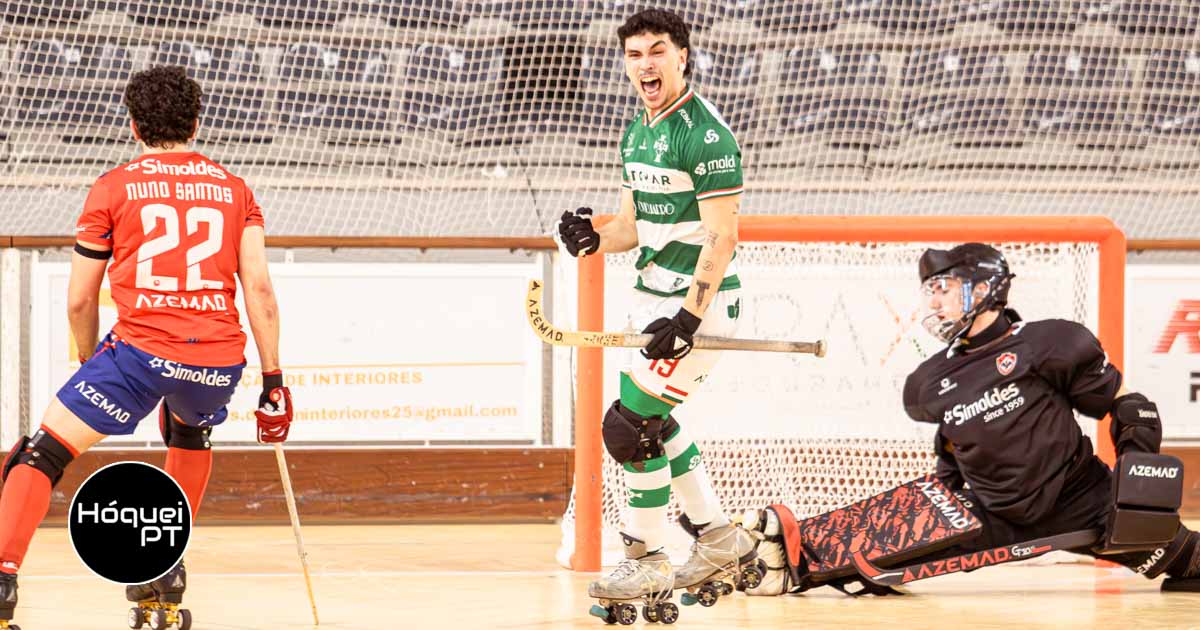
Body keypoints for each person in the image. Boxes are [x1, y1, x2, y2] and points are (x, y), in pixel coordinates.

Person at [0, 65, 294, 627]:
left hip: (138, 354)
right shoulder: (235, 191)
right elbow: (258, 288)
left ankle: (1, 583)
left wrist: (90, 360)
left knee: (40, 453)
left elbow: (81, 300)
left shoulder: (113, 187)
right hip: (217, 358)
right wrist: (274, 382)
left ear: (133, 126)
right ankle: (164, 577)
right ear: (197, 123)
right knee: (189, 433)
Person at [743, 243, 1199, 596]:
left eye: (946, 289)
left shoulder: (1049, 342)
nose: (935, 302)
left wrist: (1136, 493)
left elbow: (1127, 405)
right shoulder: (931, 378)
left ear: (983, 291)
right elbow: (952, 446)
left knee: (1191, 560)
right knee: (868, 557)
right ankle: (783, 556)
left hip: (1086, 502)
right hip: (994, 513)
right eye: (931, 292)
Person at [556, 8, 757, 619]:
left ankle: (647, 560)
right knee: (651, 426)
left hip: (701, 307)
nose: (646, 63)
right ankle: (718, 535)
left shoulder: (707, 134)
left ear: (682, 57)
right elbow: (631, 228)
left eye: (658, 51)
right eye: (636, 53)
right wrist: (592, 236)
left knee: (626, 428)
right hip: (655, 301)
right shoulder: (635, 132)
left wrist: (691, 320)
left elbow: (723, 238)